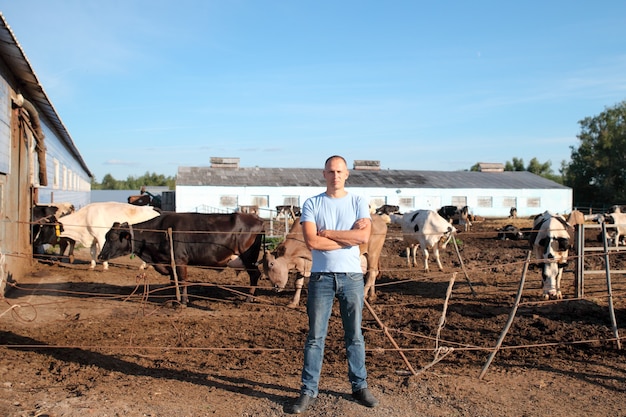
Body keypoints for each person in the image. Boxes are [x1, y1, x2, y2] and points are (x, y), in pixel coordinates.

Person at [290, 155, 379, 414]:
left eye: (339, 171)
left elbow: (363, 237)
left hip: (351, 277)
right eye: (331, 171)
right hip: (321, 277)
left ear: (347, 174)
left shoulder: (358, 201)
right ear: (324, 174)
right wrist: (346, 238)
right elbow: (312, 243)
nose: (335, 175)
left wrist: (328, 232)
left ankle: (359, 386)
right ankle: (308, 390)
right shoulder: (313, 203)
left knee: (355, 335)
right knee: (316, 337)